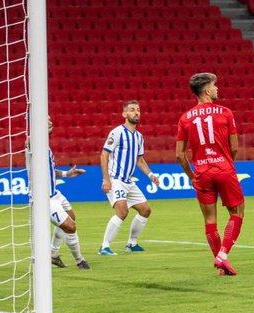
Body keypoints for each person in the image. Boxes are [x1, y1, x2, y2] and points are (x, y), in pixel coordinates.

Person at [175, 73, 244, 276]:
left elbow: (179, 155)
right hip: (223, 169)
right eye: (214, 86)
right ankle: (222, 255)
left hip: (202, 172)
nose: (217, 89)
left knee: (209, 220)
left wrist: (191, 175)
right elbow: (234, 147)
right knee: (237, 213)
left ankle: (221, 267)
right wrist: (227, 162)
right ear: (206, 90)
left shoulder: (185, 118)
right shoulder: (225, 112)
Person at [98, 101, 159, 256]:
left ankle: (132, 243)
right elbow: (104, 155)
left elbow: (140, 160)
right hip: (116, 179)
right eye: (132, 110)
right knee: (122, 211)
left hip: (128, 181)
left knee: (145, 210)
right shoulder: (117, 132)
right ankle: (104, 247)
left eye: (138, 110)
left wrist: (150, 175)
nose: (136, 112)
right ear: (124, 114)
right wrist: (106, 179)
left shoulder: (139, 137)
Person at [44, 118, 89, 270]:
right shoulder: (34, 144)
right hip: (44, 199)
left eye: (50, 121)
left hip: (55, 194)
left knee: (71, 217)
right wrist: (38, 130)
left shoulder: (45, 147)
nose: (50, 123)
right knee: (70, 226)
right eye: (46, 121)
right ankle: (80, 261)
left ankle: (53, 254)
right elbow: (27, 142)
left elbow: (50, 170)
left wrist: (66, 174)